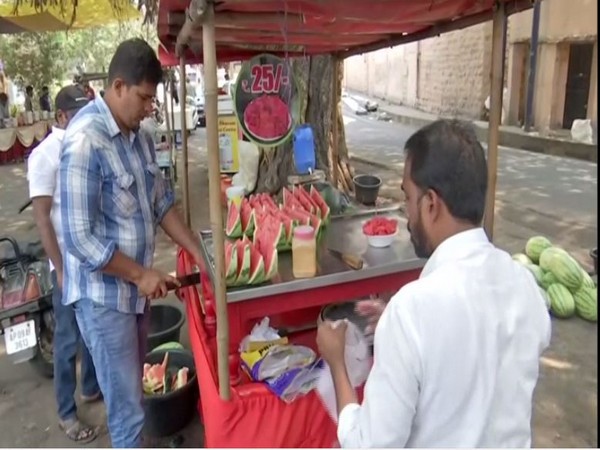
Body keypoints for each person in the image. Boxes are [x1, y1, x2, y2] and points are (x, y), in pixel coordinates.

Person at [316, 119, 552, 448]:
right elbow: (477, 349)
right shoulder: (525, 286)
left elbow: (369, 445)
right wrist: (403, 334)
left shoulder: (411, 311)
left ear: (431, 204)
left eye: (408, 199)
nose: (407, 214)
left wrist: (336, 361)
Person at [59, 38, 202, 448]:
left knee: (134, 399)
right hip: (104, 303)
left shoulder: (138, 136)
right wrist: (140, 274)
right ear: (118, 86)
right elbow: (79, 240)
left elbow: (161, 204)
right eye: (142, 98)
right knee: (127, 413)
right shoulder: (85, 141)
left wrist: (198, 253)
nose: (147, 108)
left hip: (134, 299)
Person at [27, 85, 101, 444]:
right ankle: (65, 413)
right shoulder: (45, 155)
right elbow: (43, 219)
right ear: (60, 117)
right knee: (68, 341)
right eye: (76, 112)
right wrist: (59, 269)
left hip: (92, 260)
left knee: (90, 333)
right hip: (67, 266)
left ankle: (89, 388)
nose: (84, 118)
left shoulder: (86, 143)